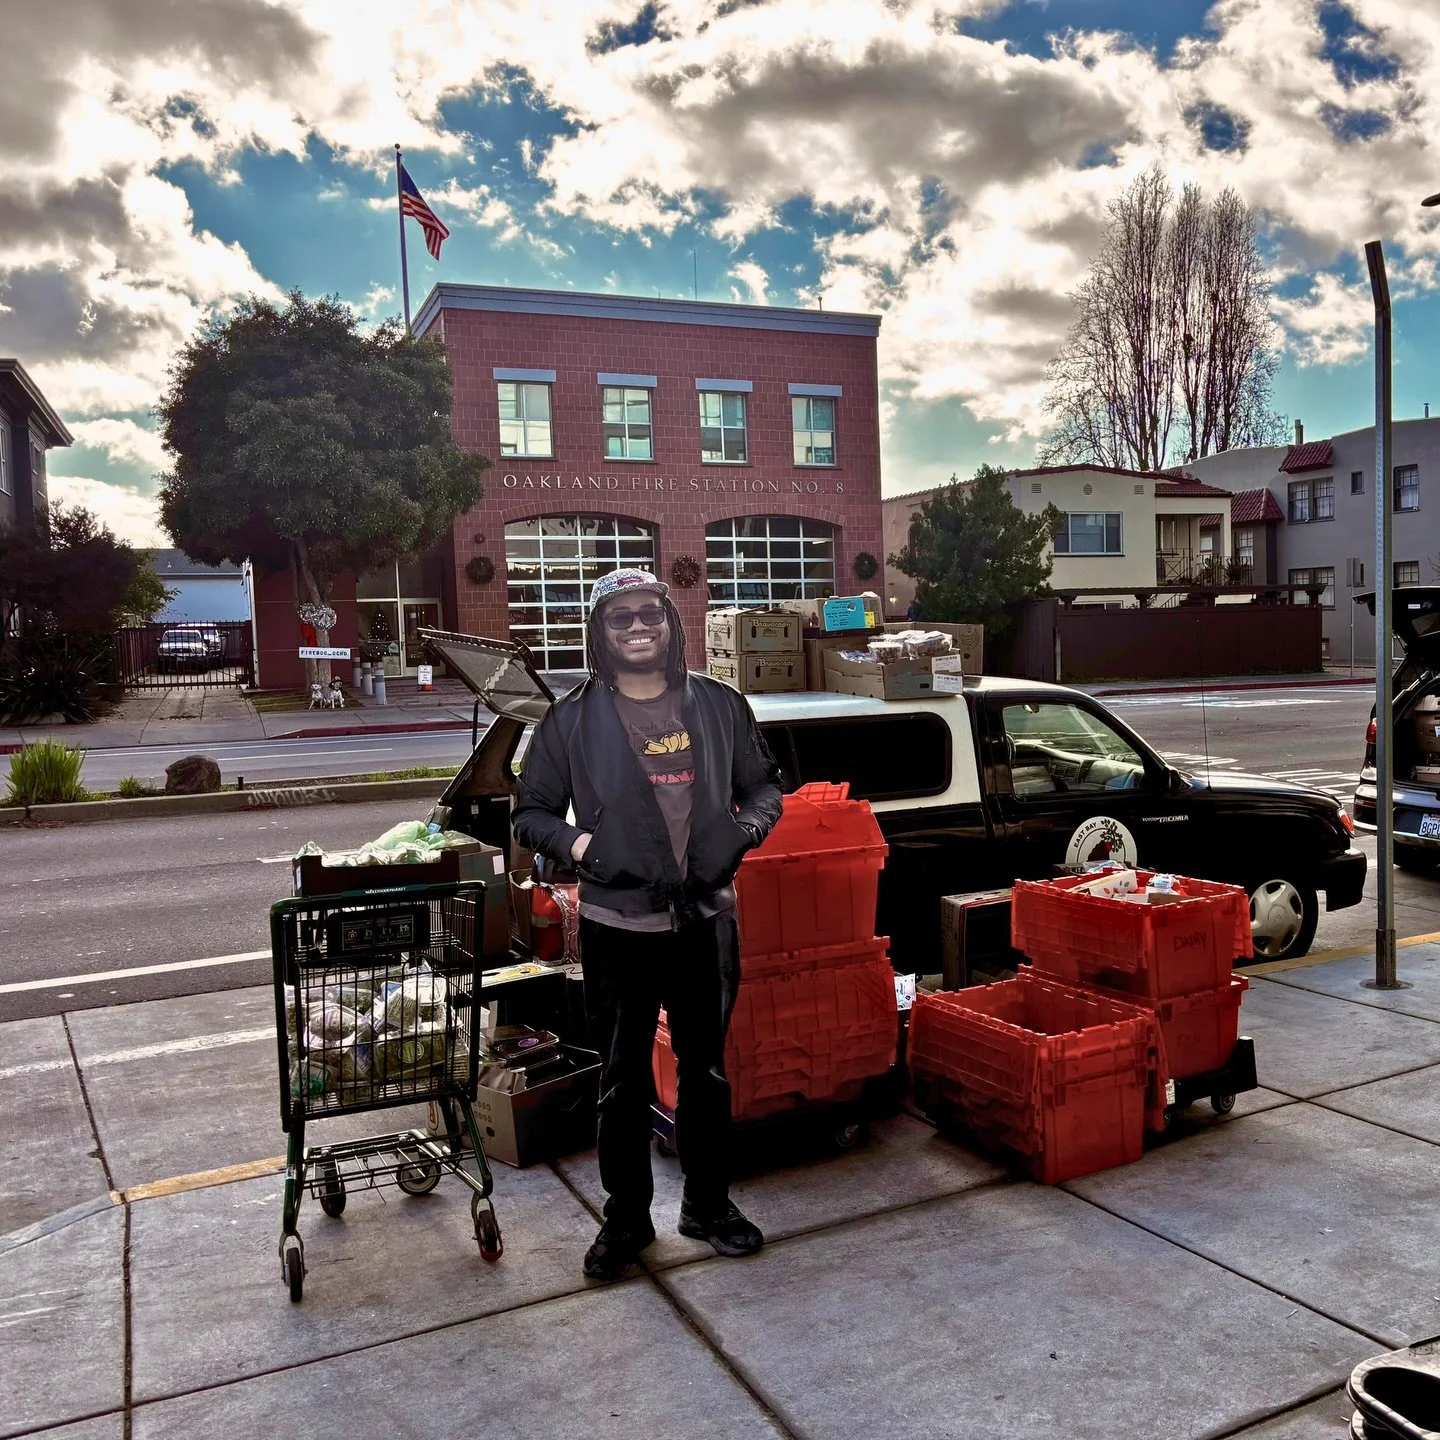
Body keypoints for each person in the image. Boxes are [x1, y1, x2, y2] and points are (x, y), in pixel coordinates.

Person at [512, 568, 783, 1280]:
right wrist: (586, 848)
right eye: (620, 618)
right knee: (622, 1081)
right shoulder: (571, 720)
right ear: (599, 633)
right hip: (617, 928)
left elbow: (764, 786)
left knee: (707, 1073)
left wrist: (742, 833)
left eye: (649, 614)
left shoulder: (720, 704)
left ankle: (708, 1206)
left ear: (670, 622)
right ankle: (627, 1220)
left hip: (705, 923)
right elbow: (531, 813)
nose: (637, 627)